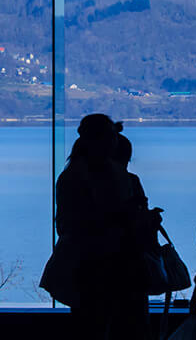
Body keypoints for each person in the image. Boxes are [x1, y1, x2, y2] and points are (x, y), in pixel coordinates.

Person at [50, 113, 160, 340]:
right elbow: (75, 224)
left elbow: (67, 225)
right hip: (106, 267)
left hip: (100, 267)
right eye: (111, 137)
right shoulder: (101, 175)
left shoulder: (76, 175)